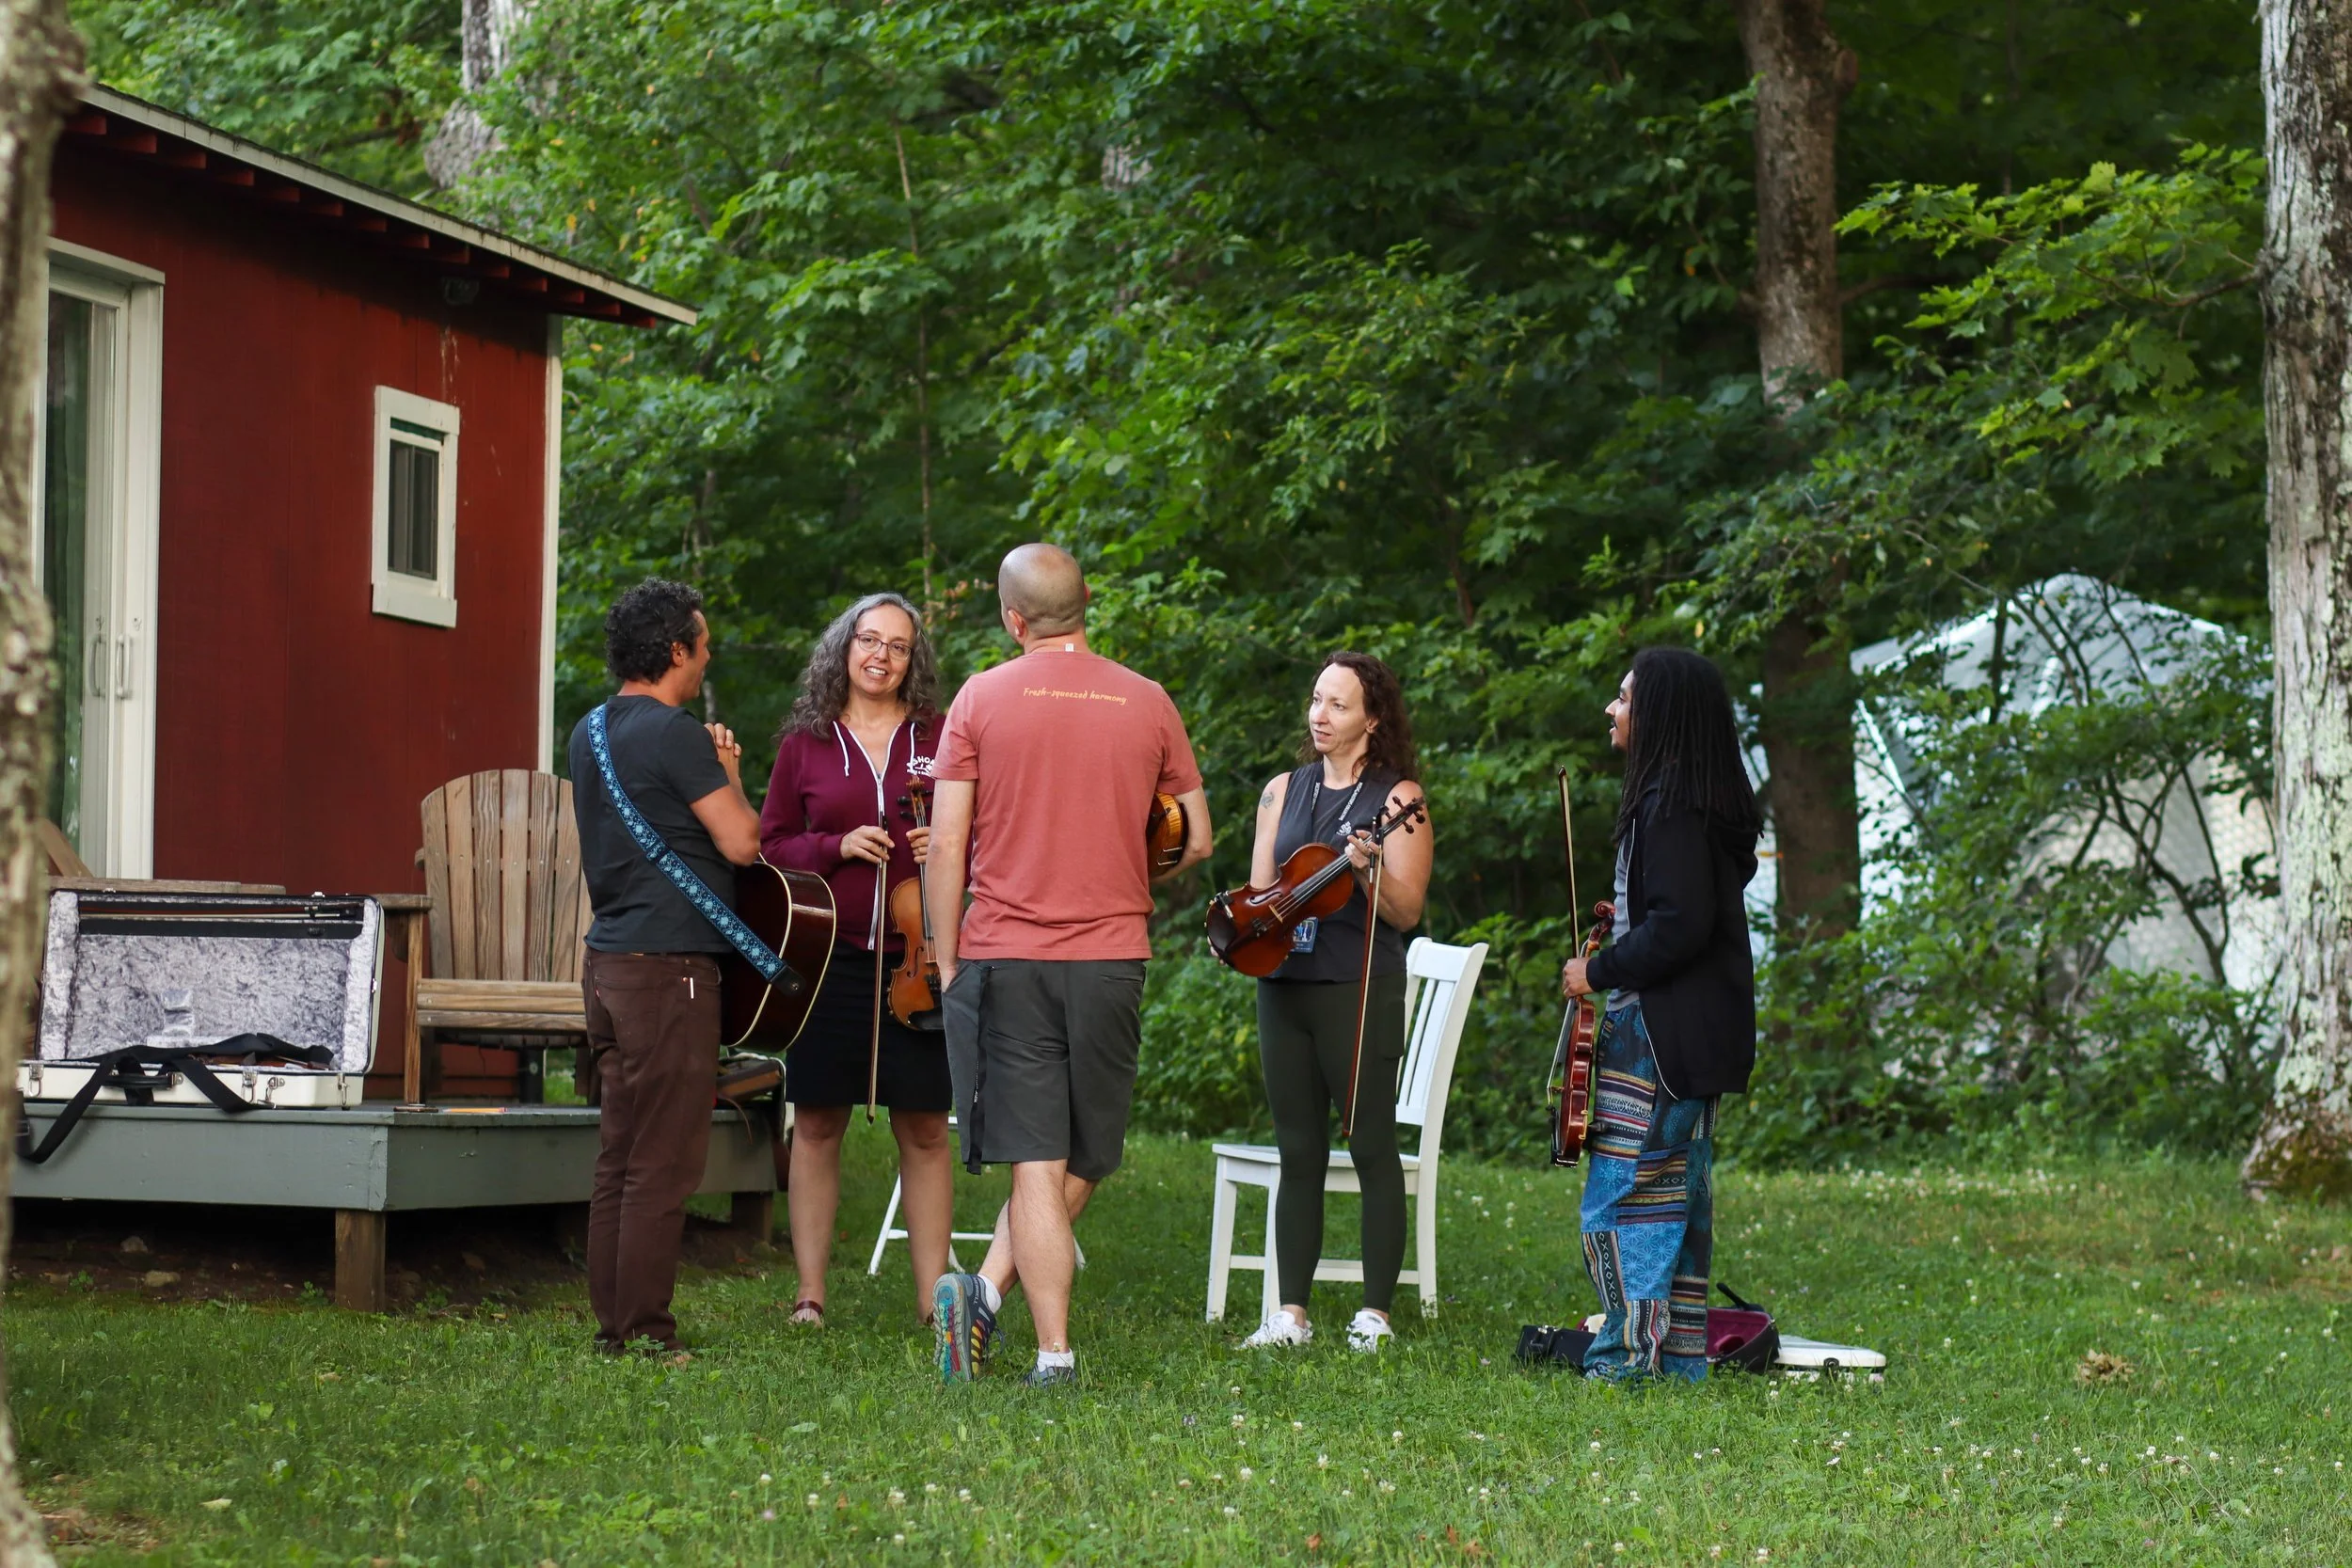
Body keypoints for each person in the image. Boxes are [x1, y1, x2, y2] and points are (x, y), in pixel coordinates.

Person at [924, 542, 1213, 1386]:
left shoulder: (979, 697)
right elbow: (1195, 838)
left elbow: (946, 844)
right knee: (1086, 1155)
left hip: (1006, 955)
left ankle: (1012, 1319)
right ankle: (1017, 1323)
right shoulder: (1149, 700)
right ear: (1087, 600)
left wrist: (948, 963)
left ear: (1013, 618)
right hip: (1112, 958)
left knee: (1040, 1160)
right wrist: (1125, 856)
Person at [567, 578, 762, 1361]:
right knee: (665, 1159)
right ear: (676, 649)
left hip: (609, 964)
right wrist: (731, 769)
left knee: (619, 1154)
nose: (707, 654)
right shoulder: (677, 734)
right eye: (703, 643)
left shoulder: (589, 731)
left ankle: (614, 1323)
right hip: (669, 970)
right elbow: (743, 842)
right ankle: (646, 1331)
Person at [1559, 646, 1762, 1383]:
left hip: (1658, 1033)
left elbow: (1680, 925)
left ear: (1660, 714)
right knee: (1677, 1192)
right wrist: (1628, 917)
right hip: (1697, 1030)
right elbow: (1679, 908)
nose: (1612, 710)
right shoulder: (1698, 800)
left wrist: (1598, 969)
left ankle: (1623, 1359)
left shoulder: (1668, 802)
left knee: (1627, 1196)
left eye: (1623, 697)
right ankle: (1675, 1361)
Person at [757, 593, 951, 1328]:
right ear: (844, 648)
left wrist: (951, 846)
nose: (882, 655)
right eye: (869, 639)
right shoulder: (806, 742)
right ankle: (810, 1292)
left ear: (913, 660)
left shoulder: (939, 737)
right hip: (830, 954)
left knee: (926, 1126)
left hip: (919, 955)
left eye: (898, 645)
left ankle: (934, 1299)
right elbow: (772, 844)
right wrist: (831, 847)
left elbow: (984, 823)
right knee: (816, 1122)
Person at [1237, 653, 1432, 1354]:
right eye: (1317, 700)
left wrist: (1371, 869)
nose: (1320, 715)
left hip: (1358, 986)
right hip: (1285, 986)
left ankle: (1374, 1313)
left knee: (1371, 1144)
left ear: (1372, 720)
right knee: (1298, 1150)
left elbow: (1407, 913)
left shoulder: (1396, 797)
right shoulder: (1281, 791)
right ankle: (1290, 1313)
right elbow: (1262, 897)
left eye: (1338, 705)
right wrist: (1239, 929)